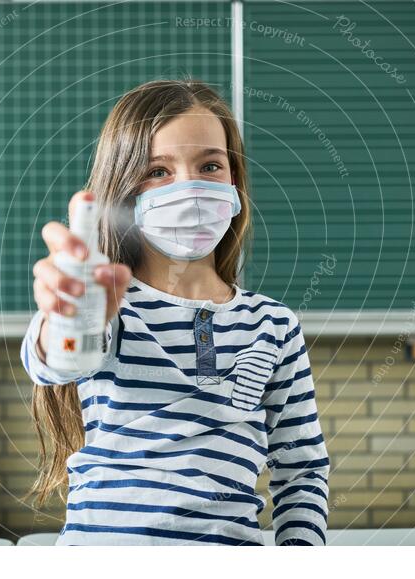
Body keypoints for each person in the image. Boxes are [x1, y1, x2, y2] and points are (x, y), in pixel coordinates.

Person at [20, 79, 330, 545]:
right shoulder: (108, 305)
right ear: (124, 190)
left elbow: (302, 468)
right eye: (158, 171)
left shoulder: (273, 324)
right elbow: (58, 361)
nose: (189, 188)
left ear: (234, 181)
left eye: (210, 165)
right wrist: (70, 318)